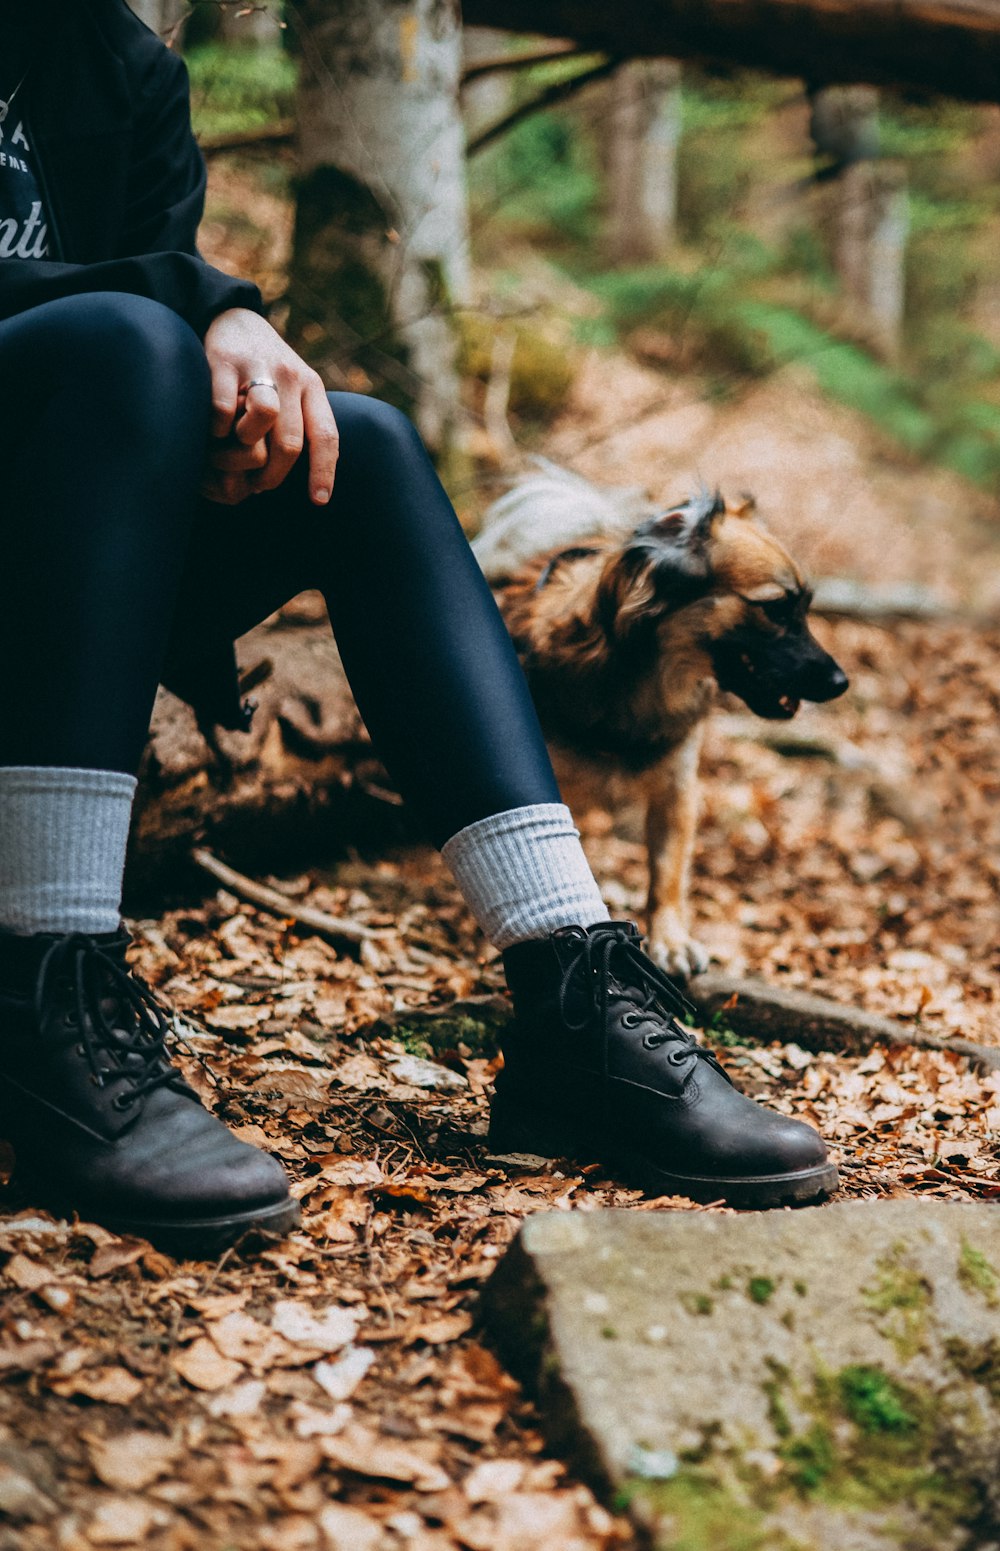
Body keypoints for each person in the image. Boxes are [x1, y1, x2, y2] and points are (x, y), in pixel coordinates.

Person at [0, 0, 837, 1256]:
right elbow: (132, 321)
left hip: (59, 542)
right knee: (129, 330)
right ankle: (44, 989)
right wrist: (200, 300)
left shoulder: (116, 66)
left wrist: (230, 417)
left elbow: (146, 376)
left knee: (366, 447)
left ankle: (569, 995)